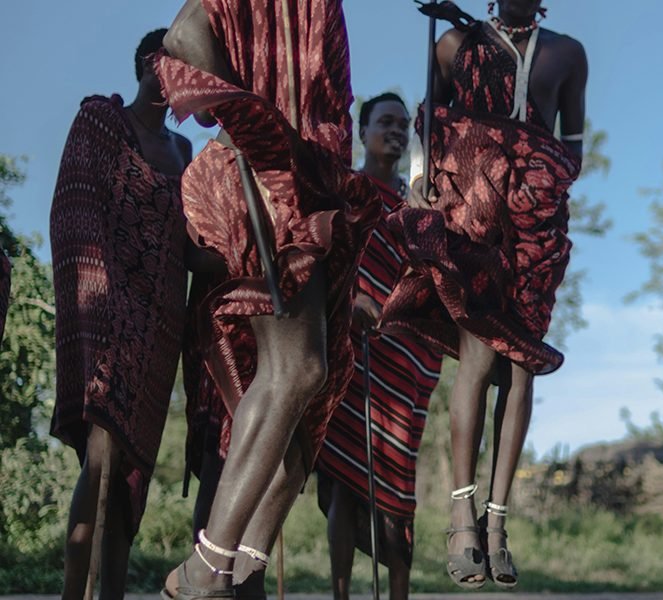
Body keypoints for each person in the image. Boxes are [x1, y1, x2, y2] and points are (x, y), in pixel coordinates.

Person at [156, 1, 380, 598]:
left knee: (317, 387)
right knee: (295, 366)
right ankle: (206, 566)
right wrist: (245, 123)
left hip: (310, 179)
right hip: (264, 168)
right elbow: (183, 35)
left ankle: (239, 567)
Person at [379, 0, 587, 589]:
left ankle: (498, 522)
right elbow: (430, 122)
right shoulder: (453, 46)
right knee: (476, 357)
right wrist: (425, 184)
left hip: (535, 225)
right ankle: (461, 515)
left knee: (521, 367)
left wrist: (537, 171)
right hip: (472, 212)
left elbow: (574, 143)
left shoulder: (567, 53)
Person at [50, 28, 192, 600]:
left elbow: (193, 242)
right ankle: (72, 591)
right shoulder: (102, 121)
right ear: (146, 64)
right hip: (107, 313)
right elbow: (73, 210)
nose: (180, 76)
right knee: (103, 454)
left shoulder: (185, 154)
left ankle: (110, 592)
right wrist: (101, 303)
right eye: (172, 62)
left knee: (131, 474)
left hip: (159, 326)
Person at [316, 93, 443, 600]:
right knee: (344, 479)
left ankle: (397, 594)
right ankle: (342, 593)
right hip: (350, 344)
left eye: (402, 125)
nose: (394, 130)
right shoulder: (343, 191)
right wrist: (351, 301)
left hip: (402, 356)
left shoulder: (420, 205)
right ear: (361, 130)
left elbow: (433, 278)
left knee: (395, 485)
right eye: (383, 121)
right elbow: (325, 258)